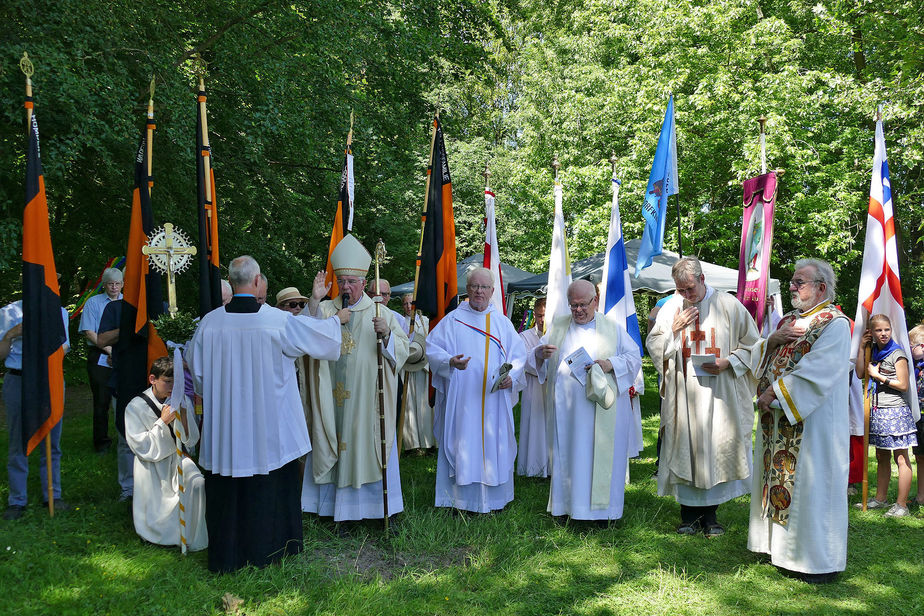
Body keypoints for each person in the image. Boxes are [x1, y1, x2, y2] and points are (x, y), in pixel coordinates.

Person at [187, 255, 344, 573]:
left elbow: (198, 375)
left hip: (226, 430)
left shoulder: (210, 323)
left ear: (233, 282)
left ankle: (227, 557)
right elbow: (322, 341)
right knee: (270, 483)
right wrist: (335, 319)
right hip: (268, 429)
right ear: (257, 281)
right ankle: (271, 551)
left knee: (227, 489)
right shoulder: (277, 321)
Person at [749, 258, 851, 583]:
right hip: (777, 420)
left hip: (813, 423)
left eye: (799, 282)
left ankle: (814, 561)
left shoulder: (835, 324)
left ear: (821, 287)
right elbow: (769, 355)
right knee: (778, 480)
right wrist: (771, 344)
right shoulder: (790, 319)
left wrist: (774, 392)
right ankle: (779, 552)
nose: (792, 287)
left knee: (811, 485)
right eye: (793, 281)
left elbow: (818, 370)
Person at [647, 257, 761, 537]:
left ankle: (711, 517)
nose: (686, 296)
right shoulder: (672, 307)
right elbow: (654, 344)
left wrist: (729, 362)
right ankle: (688, 516)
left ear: (702, 279)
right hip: (685, 394)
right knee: (685, 448)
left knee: (714, 450)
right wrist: (674, 329)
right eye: (681, 290)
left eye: (690, 289)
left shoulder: (728, 305)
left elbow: (754, 345)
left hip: (719, 395)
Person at [301, 235, 409, 523]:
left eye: (351, 281)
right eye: (342, 281)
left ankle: (371, 511)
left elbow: (404, 351)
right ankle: (328, 509)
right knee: (331, 438)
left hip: (367, 400)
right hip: (329, 398)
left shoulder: (381, 313)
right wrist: (314, 299)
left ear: (363, 283)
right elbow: (303, 335)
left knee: (366, 446)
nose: (346, 287)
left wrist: (386, 334)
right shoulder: (324, 310)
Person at [530, 280, 641, 521]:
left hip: (600, 408)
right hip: (567, 410)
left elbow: (634, 358)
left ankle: (603, 514)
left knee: (598, 457)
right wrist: (540, 354)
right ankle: (565, 508)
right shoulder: (559, 326)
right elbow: (537, 355)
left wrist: (611, 364)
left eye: (583, 305)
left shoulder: (612, 328)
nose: (578, 310)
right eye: (573, 305)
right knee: (569, 455)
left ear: (596, 301)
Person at [426, 267, 526, 513]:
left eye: (484, 287)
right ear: (467, 289)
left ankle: (495, 500)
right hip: (463, 399)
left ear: (492, 291)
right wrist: (450, 361)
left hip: (494, 399)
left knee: (494, 444)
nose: (479, 292)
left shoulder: (502, 323)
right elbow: (432, 349)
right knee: (462, 443)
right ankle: (459, 500)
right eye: (474, 287)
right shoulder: (452, 321)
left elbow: (519, 356)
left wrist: (511, 377)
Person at [124, 356, 206, 550]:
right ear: (153, 379)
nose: (172, 387)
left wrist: (184, 417)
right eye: (167, 382)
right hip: (152, 465)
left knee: (197, 482)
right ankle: (161, 535)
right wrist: (163, 422)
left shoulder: (181, 400)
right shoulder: (135, 407)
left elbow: (190, 440)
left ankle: (193, 537)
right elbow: (142, 447)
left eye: (176, 382)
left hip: (177, 457)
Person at [1, 299, 71, 520]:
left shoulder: (58, 311)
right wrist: (11, 334)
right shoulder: (9, 311)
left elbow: (65, 348)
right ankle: (17, 501)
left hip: (49, 380)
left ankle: (52, 495)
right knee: (18, 442)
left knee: (52, 442)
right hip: (18, 380)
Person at [854, 314, 917, 517]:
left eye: (886, 329)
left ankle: (902, 505)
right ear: (871, 332)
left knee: (901, 458)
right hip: (878, 411)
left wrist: (879, 376)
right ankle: (881, 499)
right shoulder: (873, 352)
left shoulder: (897, 353)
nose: (883, 334)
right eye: (879, 330)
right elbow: (860, 373)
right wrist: (862, 348)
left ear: (891, 330)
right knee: (881, 456)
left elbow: (903, 385)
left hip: (896, 412)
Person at [78, 267, 123, 453]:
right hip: (100, 356)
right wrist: (109, 350)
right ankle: (101, 442)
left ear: (122, 284)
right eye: (110, 284)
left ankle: (127, 439)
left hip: (123, 355)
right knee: (102, 400)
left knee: (125, 399)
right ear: (104, 285)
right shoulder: (93, 303)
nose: (114, 288)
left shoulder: (128, 303)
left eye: (117, 284)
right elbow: (89, 332)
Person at [94, 298, 135, 502]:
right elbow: (101, 340)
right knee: (126, 438)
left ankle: (156, 487)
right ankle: (128, 490)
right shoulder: (115, 308)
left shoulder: (160, 305)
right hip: (123, 381)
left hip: (155, 383)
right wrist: (130, 326)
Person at [517, 297, 549, 477]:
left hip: (552, 386)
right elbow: (523, 361)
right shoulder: (525, 336)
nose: (542, 320)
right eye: (539, 315)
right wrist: (537, 358)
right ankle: (533, 466)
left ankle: (551, 466)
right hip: (534, 385)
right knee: (534, 424)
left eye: (545, 315)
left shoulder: (558, 333)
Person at [399, 292, 434, 453]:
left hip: (425, 367)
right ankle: (413, 443)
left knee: (425, 406)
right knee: (410, 406)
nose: (408, 307)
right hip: (408, 367)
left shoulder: (425, 321)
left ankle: (429, 442)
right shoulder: (399, 322)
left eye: (410, 304)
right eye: (405, 304)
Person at [909, 323, 924, 507]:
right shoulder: (915, 367)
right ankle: (921, 496)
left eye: (912, 346)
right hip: (919, 417)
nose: (910, 350)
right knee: (920, 457)